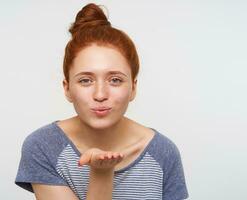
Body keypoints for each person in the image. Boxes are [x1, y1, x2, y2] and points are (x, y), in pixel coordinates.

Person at [15, 3, 189, 200]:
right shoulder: (43, 146)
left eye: (115, 80)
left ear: (133, 88)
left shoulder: (163, 152)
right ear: (67, 88)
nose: (100, 94)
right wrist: (101, 173)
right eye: (85, 80)